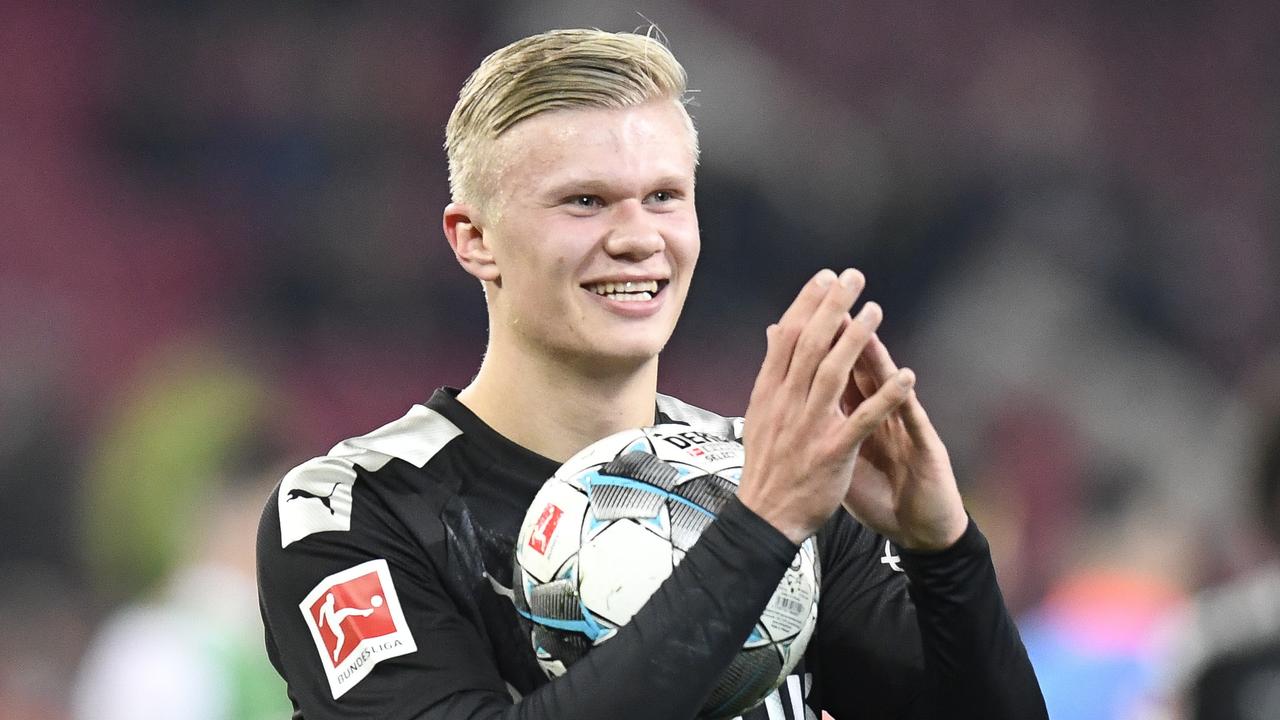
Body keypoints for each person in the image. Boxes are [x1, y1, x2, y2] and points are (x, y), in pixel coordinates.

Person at [256, 28, 1047, 719]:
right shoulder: (355, 513)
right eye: (585, 202)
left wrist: (945, 550)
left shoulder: (768, 479)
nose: (639, 238)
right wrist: (761, 529)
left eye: (664, 196)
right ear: (474, 240)